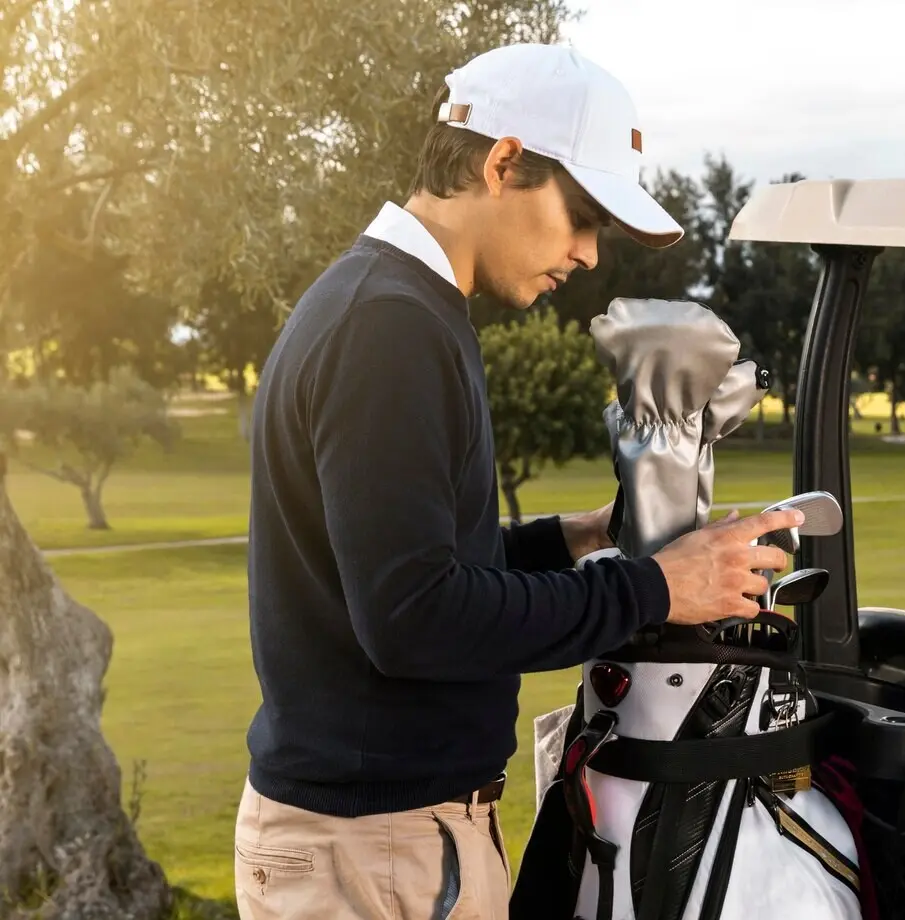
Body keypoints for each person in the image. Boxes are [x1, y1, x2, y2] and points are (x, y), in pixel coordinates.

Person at [232, 42, 801, 920]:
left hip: (379, 842)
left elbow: (410, 568)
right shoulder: (391, 329)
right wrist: (656, 587)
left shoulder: (395, 305)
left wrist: (581, 536)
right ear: (502, 162)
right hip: (376, 851)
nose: (588, 254)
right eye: (582, 215)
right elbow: (414, 620)